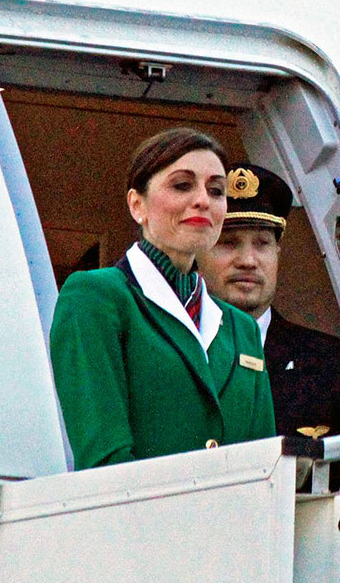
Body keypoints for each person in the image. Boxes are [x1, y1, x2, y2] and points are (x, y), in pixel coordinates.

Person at [49, 128, 275, 469]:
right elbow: (104, 458)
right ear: (137, 204)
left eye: (216, 190)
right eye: (182, 185)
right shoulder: (97, 296)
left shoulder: (241, 328)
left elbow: (265, 463)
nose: (203, 200)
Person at [200, 162, 340, 487]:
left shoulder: (332, 365)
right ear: (197, 253)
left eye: (262, 243)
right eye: (228, 242)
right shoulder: (171, 352)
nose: (248, 260)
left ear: (278, 251)